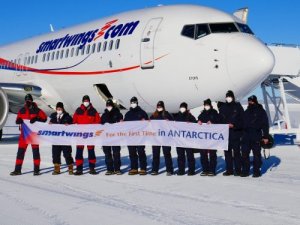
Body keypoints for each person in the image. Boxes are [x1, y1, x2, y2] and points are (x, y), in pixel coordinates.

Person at [10, 94, 47, 176]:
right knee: (20, 153)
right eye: (27, 100)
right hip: (24, 135)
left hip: (34, 135)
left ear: (32, 100)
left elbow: (44, 119)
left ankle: (36, 170)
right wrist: (19, 120)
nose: (28, 101)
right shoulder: (22, 110)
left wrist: (37, 118)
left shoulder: (37, 110)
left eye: (29, 100)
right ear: (25, 101)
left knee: (36, 153)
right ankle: (17, 170)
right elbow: (17, 120)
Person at [241, 95, 269, 178]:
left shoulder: (261, 111)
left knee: (256, 154)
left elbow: (265, 125)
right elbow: (242, 123)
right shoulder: (246, 111)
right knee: (244, 154)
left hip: (256, 134)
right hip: (246, 135)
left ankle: (256, 171)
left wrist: (266, 136)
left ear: (255, 101)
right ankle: (245, 171)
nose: (250, 103)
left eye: (252, 101)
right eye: (249, 101)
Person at [73, 95, 101, 175]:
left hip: (90, 135)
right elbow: (73, 121)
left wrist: (92, 126)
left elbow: (98, 121)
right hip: (80, 135)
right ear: (82, 101)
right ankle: (79, 169)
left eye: (87, 101)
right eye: (85, 101)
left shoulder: (93, 110)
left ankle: (92, 168)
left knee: (91, 151)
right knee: (79, 152)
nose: (86, 102)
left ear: (89, 101)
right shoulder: (78, 110)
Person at [219, 90, 244, 176]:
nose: (228, 98)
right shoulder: (222, 107)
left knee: (237, 153)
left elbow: (242, 120)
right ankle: (229, 170)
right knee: (227, 153)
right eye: (227, 97)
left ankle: (238, 170)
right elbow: (219, 120)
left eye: (229, 96)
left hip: (235, 133)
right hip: (225, 134)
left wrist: (234, 126)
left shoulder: (238, 107)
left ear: (233, 97)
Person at [124, 97, 149, 175]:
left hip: (140, 137)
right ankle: (134, 168)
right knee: (132, 153)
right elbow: (124, 125)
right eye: (132, 102)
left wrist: (145, 121)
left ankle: (143, 168)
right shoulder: (128, 114)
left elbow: (148, 123)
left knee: (141, 152)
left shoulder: (142, 112)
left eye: (134, 102)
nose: (133, 104)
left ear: (137, 103)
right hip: (130, 137)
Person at [49, 102, 74, 175]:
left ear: (62, 109)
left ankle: (70, 168)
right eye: (57, 109)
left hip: (65, 139)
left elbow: (72, 124)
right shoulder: (53, 116)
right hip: (56, 139)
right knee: (55, 154)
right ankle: (57, 169)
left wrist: (68, 124)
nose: (59, 110)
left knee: (67, 154)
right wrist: (50, 124)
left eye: (60, 109)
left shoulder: (67, 116)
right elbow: (49, 125)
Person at [150, 101, 174, 176]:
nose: (159, 108)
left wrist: (169, 121)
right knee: (155, 154)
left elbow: (173, 123)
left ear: (163, 107)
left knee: (167, 154)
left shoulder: (167, 114)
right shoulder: (154, 115)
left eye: (160, 107)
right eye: (158, 107)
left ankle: (169, 170)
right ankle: (154, 170)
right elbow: (149, 123)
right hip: (156, 138)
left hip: (165, 138)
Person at [198, 99, 221, 176]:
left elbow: (219, 121)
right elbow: (198, 119)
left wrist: (212, 122)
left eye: (207, 105)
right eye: (205, 105)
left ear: (210, 105)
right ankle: (205, 170)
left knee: (212, 154)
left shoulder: (214, 112)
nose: (206, 106)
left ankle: (212, 170)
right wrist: (199, 121)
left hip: (212, 137)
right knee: (203, 154)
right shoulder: (202, 113)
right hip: (204, 138)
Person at [101, 99, 123, 175]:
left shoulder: (117, 113)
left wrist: (120, 121)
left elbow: (121, 121)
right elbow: (100, 125)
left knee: (116, 153)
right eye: (107, 105)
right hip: (106, 137)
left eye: (110, 105)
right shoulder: (103, 115)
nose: (108, 106)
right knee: (107, 153)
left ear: (112, 106)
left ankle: (117, 169)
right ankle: (109, 169)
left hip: (115, 137)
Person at [174, 102, 197, 176]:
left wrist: (190, 123)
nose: (182, 108)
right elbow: (172, 124)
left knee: (190, 155)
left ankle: (191, 170)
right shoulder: (177, 116)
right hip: (179, 140)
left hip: (188, 140)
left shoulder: (190, 116)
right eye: (181, 107)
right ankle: (181, 170)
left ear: (186, 108)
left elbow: (195, 123)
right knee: (180, 156)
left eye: (183, 107)